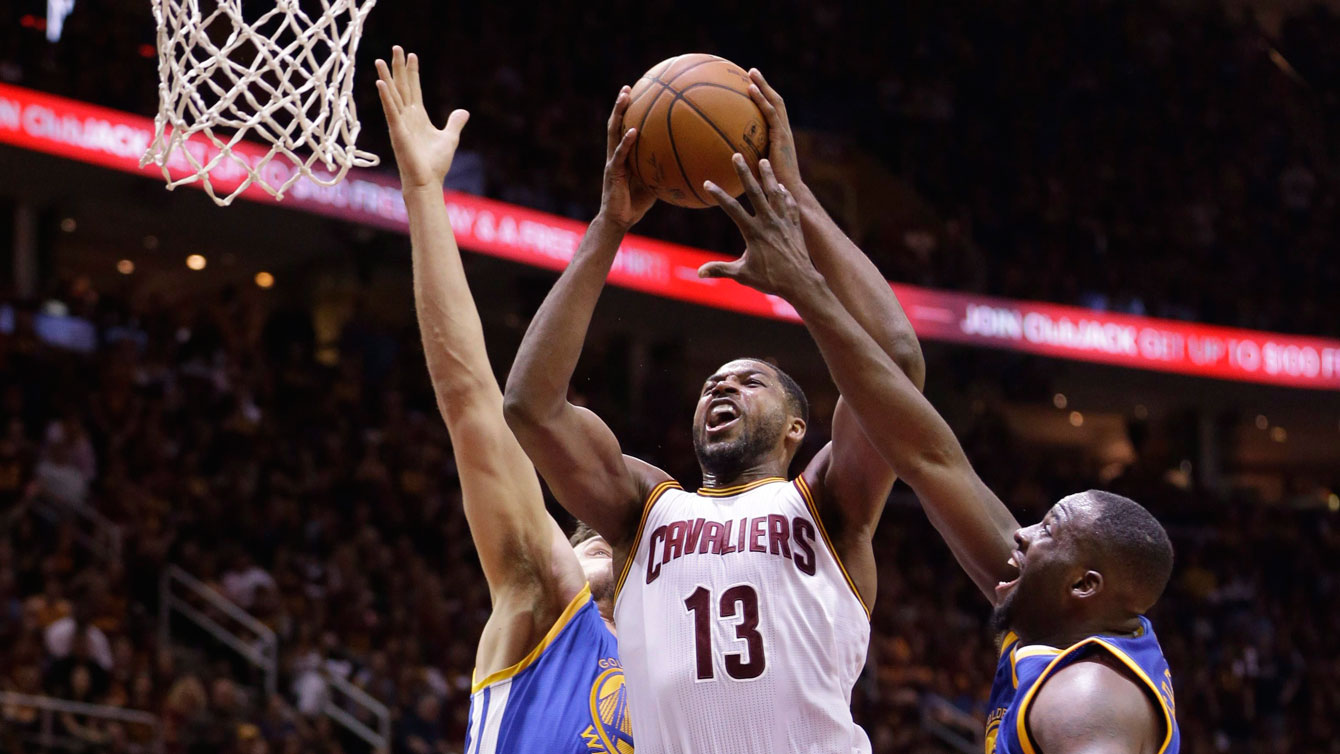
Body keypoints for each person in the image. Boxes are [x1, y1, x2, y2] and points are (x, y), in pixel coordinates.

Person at [696, 153, 1181, 754]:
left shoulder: (1086, 700)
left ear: (1083, 585)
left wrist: (804, 281)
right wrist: (800, 218)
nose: (1021, 535)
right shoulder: (1060, 617)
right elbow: (922, 448)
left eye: (1046, 531)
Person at [504, 71, 924, 753]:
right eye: (711, 384)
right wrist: (608, 227)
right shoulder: (644, 508)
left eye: (750, 381)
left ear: (797, 427)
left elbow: (897, 364)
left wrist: (801, 210)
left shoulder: (829, 503)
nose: (721, 387)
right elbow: (530, 406)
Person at [373, 47, 630, 754]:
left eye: (627, 539)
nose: (607, 538)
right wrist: (425, 195)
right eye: (592, 537)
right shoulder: (546, 597)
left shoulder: (688, 697)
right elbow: (473, 403)